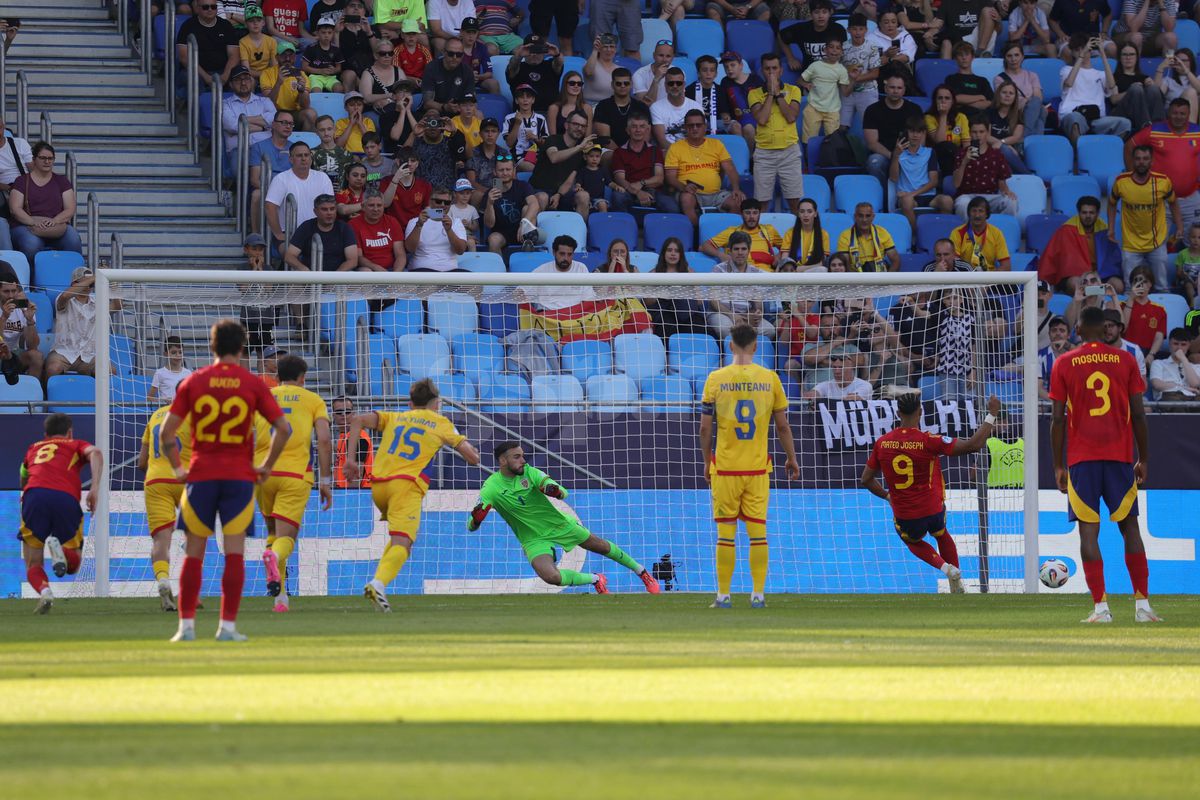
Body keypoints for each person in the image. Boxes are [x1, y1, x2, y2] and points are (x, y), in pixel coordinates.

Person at [161, 319, 291, 642]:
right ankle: (227, 628)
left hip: (201, 476)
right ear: (242, 347)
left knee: (194, 554)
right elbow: (283, 429)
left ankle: (186, 628)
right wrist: (266, 466)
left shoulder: (194, 381)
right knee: (234, 554)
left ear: (211, 346)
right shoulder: (253, 383)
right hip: (238, 478)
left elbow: (166, 434)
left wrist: (178, 468)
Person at [1048, 305, 1158, 624]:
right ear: (1106, 329)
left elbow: (1057, 419)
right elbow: (1139, 413)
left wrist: (1057, 465)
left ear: (1079, 330)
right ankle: (1142, 606)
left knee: (1088, 533)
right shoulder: (1125, 360)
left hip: (1082, 459)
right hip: (1120, 456)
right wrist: (1144, 458)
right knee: (1130, 528)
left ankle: (1101, 609)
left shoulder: (1064, 362)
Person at [346, 378, 480, 611]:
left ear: (410, 403)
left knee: (402, 542)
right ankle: (378, 583)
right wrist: (470, 451)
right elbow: (472, 458)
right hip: (405, 486)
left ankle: (378, 583)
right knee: (403, 542)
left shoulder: (395, 417)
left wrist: (350, 460)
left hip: (378, 487)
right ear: (436, 403)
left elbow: (356, 419)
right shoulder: (440, 422)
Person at [469, 440, 661, 594]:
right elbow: (471, 525)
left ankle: (642, 572)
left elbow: (558, 489)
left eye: (523, 456)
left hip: (559, 525)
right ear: (503, 461)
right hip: (533, 538)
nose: (523, 461)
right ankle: (596, 579)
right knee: (552, 578)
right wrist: (476, 519)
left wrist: (555, 491)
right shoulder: (491, 488)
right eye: (517, 457)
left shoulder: (529, 472)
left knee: (600, 545)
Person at [699, 323, 800, 609]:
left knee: (726, 533)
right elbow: (782, 426)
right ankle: (757, 594)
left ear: (730, 346)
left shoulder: (716, 379)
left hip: (726, 469)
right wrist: (791, 458)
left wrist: (708, 462)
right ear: (756, 347)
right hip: (757, 470)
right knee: (758, 533)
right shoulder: (770, 378)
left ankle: (723, 595)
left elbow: (705, 429)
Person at [860, 391, 1001, 594]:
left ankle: (946, 568)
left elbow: (866, 479)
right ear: (920, 411)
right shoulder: (929, 440)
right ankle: (957, 582)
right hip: (933, 509)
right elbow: (974, 445)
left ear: (898, 413)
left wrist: (887, 495)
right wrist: (991, 414)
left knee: (912, 540)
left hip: (906, 514)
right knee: (942, 534)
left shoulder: (882, 443)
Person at [253, 354, 332, 612]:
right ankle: (273, 557)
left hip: (263, 473)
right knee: (286, 537)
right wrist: (325, 480)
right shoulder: (313, 400)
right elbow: (323, 439)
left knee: (273, 533)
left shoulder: (261, 398)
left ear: (276, 376)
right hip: (295, 474)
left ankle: (280, 598)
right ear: (303, 377)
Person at [19, 413, 104, 614]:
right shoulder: (75, 444)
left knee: (32, 562)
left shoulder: (33, 448)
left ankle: (45, 591)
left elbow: (23, 474)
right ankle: (60, 551)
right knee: (73, 565)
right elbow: (96, 453)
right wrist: (94, 488)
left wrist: (27, 494)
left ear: (45, 433)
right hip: (64, 498)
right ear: (70, 432)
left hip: (34, 497)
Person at [138, 403, 192, 611]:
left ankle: (162, 579)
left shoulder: (156, 415)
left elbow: (142, 462)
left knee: (161, 539)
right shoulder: (196, 415)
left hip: (156, 480)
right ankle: (191, 591)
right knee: (196, 535)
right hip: (187, 479)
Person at [1109, 145, 1180, 292]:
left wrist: (1180, 226)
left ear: (1151, 161)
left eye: (1145, 158)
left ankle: (1163, 312)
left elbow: (1173, 202)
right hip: (1131, 243)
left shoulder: (1162, 181)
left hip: (1156, 242)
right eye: (1138, 159)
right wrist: (1110, 228)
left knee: (1161, 286)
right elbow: (1111, 203)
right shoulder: (1121, 182)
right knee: (1131, 288)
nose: (1141, 162)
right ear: (1133, 161)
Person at [1127, 99, 1200, 230]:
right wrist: (1132, 175)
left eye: (1182, 113)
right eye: (1175, 113)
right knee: (1158, 242)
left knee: (1195, 243)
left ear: (1189, 114)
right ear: (1168, 113)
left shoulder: (1197, 132)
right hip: (1161, 199)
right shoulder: (1154, 130)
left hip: (1191, 199)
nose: (1178, 117)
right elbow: (1130, 146)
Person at [665, 109, 746, 225]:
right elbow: (670, 177)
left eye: (698, 125)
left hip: (716, 193)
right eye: (691, 125)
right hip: (690, 193)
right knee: (686, 200)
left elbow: (730, 169)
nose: (695, 128)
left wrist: (736, 189)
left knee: (737, 201)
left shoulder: (716, 144)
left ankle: (728, 236)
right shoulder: (675, 148)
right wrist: (683, 187)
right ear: (685, 128)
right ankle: (698, 235)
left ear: (705, 126)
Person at [6, 142, 82, 264]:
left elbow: (70, 209)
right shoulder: (21, 181)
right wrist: (33, 222)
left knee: (73, 239)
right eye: (42, 158)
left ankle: (74, 278)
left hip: (55, 225)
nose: (47, 161)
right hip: (25, 226)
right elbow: (15, 209)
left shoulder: (62, 181)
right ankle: (31, 280)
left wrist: (54, 221)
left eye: (50, 158)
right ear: (34, 159)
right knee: (32, 244)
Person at [748, 52, 804, 215]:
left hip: (789, 152)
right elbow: (762, 119)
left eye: (774, 68)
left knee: (795, 203)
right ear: (762, 71)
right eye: (767, 69)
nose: (771, 73)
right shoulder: (754, 93)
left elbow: (791, 116)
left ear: (781, 71)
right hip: (764, 153)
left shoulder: (794, 90)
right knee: (762, 204)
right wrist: (771, 94)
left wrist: (778, 94)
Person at [46, 267, 123, 379]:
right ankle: (48, 396)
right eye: (85, 282)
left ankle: (98, 397)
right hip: (63, 352)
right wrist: (95, 277)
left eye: (91, 284)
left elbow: (118, 306)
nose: (88, 286)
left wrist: (111, 280)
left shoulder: (98, 302)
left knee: (110, 371)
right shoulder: (64, 298)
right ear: (74, 283)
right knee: (53, 368)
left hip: (89, 355)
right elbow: (66, 295)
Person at [1039, 196, 1123, 293]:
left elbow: (1111, 261)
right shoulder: (1066, 230)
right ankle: (1096, 293)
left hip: (1100, 276)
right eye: (1084, 212)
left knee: (1118, 285)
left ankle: (1093, 293)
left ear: (1098, 213)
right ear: (1078, 213)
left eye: (1091, 213)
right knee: (1074, 283)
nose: (1088, 216)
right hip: (1077, 276)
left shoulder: (1104, 230)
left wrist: (1096, 277)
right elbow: (1052, 259)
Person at [265, 141, 336, 255]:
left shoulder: (322, 177)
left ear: (311, 158)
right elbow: (270, 207)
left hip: (318, 232)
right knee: (293, 255)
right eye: (299, 155)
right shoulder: (281, 179)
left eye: (306, 155)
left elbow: (330, 206)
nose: (303, 158)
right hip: (289, 234)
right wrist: (278, 234)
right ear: (291, 159)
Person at [1059, 33, 1131, 145]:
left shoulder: (1101, 74)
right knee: (1075, 119)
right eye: (1077, 50)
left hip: (1096, 119)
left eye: (1084, 49)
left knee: (1125, 124)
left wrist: (1103, 54)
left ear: (1091, 51)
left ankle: (1107, 151)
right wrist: (1082, 55)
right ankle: (1080, 155)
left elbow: (1112, 86)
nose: (1081, 52)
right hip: (1073, 113)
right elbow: (1069, 83)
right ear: (1072, 52)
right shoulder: (1066, 70)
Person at [938, 117, 1017, 217]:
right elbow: (956, 184)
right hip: (967, 197)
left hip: (990, 197)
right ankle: (967, 232)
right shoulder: (961, 154)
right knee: (962, 204)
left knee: (1011, 202)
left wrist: (1007, 192)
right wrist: (964, 162)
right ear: (970, 133)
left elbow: (1002, 183)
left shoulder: (996, 155)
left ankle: (1001, 231)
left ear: (987, 133)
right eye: (974, 132)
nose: (978, 135)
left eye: (981, 132)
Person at [708, 232, 775, 337]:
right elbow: (714, 301)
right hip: (723, 313)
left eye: (743, 249)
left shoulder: (756, 273)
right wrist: (732, 315)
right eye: (736, 249)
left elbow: (758, 302)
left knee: (769, 330)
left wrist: (757, 312)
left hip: (746, 315)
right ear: (729, 251)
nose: (740, 252)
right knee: (726, 329)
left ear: (748, 251)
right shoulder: (718, 269)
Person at [529, 109, 595, 215]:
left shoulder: (581, 152)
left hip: (561, 193)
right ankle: (534, 231)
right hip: (539, 190)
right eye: (576, 124)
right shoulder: (553, 140)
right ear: (566, 125)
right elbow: (554, 157)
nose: (579, 128)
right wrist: (579, 147)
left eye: (583, 126)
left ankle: (581, 230)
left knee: (584, 196)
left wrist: (559, 194)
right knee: (543, 197)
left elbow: (570, 180)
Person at [864, 75, 924, 189]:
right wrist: (894, 156)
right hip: (884, 154)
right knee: (874, 162)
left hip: (909, 154)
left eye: (899, 88)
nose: (895, 91)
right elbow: (872, 143)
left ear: (904, 90)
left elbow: (921, 138)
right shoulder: (872, 110)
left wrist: (908, 157)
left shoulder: (914, 109)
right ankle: (881, 199)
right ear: (885, 89)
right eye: (892, 87)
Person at [610, 110, 675, 213]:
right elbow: (620, 180)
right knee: (618, 197)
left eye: (642, 126)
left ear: (647, 130)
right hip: (629, 191)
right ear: (627, 130)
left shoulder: (655, 150)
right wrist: (638, 192)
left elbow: (659, 179)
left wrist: (641, 183)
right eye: (634, 126)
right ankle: (624, 227)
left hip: (653, 191)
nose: (638, 130)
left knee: (672, 207)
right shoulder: (619, 152)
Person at [890, 116, 942, 233]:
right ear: (906, 132)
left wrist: (912, 194)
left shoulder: (929, 152)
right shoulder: (898, 153)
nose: (915, 135)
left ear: (923, 133)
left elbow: (934, 181)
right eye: (912, 131)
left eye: (919, 132)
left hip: (927, 195)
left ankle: (941, 234)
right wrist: (896, 156)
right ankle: (917, 236)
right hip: (907, 198)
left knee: (947, 201)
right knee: (907, 201)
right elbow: (893, 178)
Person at [701, 198, 782, 270]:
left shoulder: (769, 230)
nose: (751, 217)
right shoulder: (732, 231)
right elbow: (704, 246)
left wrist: (778, 256)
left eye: (755, 213)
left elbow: (787, 247)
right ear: (741, 214)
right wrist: (721, 255)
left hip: (766, 276)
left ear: (759, 214)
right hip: (740, 276)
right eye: (747, 213)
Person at [284, 194, 360, 271]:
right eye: (324, 209)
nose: (329, 213)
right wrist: (304, 270)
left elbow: (352, 260)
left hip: (338, 278)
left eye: (332, 209)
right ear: (315, 211)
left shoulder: (344, 228)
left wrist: (334, 278)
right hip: (310, 277)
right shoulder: (306, 227)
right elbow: (289, 256)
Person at [798, 36, 851, 143]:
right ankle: (808, 159)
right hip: (813, 107)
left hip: (832, 109)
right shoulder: (815, 66)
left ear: (841, 52)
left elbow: (845, 92)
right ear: (825, 49)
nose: (834, 50)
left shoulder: (841, 70)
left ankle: (829, 159)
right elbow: (799, 80)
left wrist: (853, 80)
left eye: (838, 48)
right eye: (831, 47)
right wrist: (806, 84)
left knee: (833, 140)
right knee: (808, 140)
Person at [483, 154, 540, 252]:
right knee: (493, 239)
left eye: (508, 169)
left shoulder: (523, 186)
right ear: (495, 172)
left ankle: (528, 243)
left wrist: (524, 222)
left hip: (523, 229)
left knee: (527, 208)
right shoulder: (490, 193)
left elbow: (535, 204)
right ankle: (498, 267)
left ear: (514, 171)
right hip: (502, 233)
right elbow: (489, 224)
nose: (505, 173)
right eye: (501, 170)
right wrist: (490, 204)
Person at [178, 1, 240, 90]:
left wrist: (225, 76)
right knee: (193, 79)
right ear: (198, 8)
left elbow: (234, 56)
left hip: (222, 71)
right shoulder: (188, 26)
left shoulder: (226, 25)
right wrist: (206, 77)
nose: (210, 9)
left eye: (213, 7)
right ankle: (195, 103)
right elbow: (184, 58)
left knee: (242, 77)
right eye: (205, 7)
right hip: (195, 71)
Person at [405, 186, 470, 270]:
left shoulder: (456, 222)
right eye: (438, 201)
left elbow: (460, 251)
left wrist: (449, 230)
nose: (442, 205)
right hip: (423, 270)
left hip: (450, 271)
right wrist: (419, 225)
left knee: (475, 281)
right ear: (430, 202)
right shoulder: (415, 221)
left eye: (447, 203)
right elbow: (410, 249)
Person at [526, 235, 596, 310]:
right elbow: (521, 292)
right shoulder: (541, 271)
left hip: (575, 316)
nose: (566, 258)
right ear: (554, 252)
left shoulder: (581, 268)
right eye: (562, 254)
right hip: (547, 316)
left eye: (569, 254)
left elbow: (588, 299)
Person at [261, 42, 318, 131]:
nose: (287, 59)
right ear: (277, 57)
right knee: (271, 116)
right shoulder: (267, 73)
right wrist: (278, 83)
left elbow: (305, 106)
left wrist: (302, 91)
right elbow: (267, 103)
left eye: (291, 56)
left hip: (294, 113)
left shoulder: (301, 74)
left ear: (295, 57)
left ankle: (305, 143)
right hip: (275, 112)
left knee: (311, 113)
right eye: (284, 55)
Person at [996, 41, 1048, 138]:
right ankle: (1031, 141)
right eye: (1009, 56)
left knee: (1037, 106)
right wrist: (1028, 101)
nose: (1013, 59)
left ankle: (1025, 140)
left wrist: (1027, 101)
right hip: (1014, 113)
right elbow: (1009, 101)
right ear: (1005, 58)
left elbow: (1038, 97)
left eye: (1016, 55)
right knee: (1040, 113)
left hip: (1032, 109)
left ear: (1022, 57)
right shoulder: (999, 79)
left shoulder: (1032, 75)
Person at [1112, 42, 1167, 133]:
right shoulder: (1114, 77)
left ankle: (1159, 126)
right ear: (1120, 58)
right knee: (1136, 89)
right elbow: (1113, 99)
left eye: (1132, 54)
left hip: (1144, 111)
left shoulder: (1144, 78)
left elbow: (1157, 97)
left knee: (1153, 88)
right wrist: (1130, 91)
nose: (1128, 57)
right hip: (1123, 112)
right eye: (1125, 54)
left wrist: (1151, 83)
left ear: (1137, 57)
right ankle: (1145, 127)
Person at [779, 0, 847, 72]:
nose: (820, 16)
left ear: (830, 13)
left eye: (824, 12)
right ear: (811, 14)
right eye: (816, 12)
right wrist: (791, 58)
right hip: (809, 74)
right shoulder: (802, 29)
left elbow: (844, 52)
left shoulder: (838, 29)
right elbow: (781, 35)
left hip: (833, 73)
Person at [222, 65, 275, 156]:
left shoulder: (265, 101)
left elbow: (274, 120)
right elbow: (232, 126)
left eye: (246, 79)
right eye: (238, 79)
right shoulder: (224, 104)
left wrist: (242, 120)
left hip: (264, 148)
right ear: (231, 84)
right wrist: (262, 128)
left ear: (252, 81)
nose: (243, 83)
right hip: (238, 151)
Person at [840, 14, 881, 130]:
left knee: (871, 127)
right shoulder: (843, 47)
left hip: (868, 92)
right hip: (847, 92)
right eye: (854, 29)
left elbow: (875, 73)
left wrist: (855, 78)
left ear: (866, 30)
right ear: (848, 30)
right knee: (841, 127)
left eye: (861, 29)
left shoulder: (872, 47)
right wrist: (850, 81)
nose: (857, 32)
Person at [350, 189, 407, 271]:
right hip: (369, 269)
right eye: (371, 205)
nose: (376, 209)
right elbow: (358, 257)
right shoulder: (353, 224)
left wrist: (396, 275)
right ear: (363, 207)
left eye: (379, 205)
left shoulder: (392, 221)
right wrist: (376, 268)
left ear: (383, 206)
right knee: (365, 271)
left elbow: (400, 254)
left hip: (391, 269)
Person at [593, 68, 651, 149]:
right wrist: (622, 155)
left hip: (638, 150)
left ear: (631, 84)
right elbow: (605, 139)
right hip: (611, 151)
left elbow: (646, 134)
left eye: (626, 83)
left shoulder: (641, 106)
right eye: (618, 83)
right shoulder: (603, 106)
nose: (622, 86)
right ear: (612, 85)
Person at [505, 34, 564, 113]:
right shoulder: (518, 67)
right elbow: (511, 69)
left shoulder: (550, 65)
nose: (534, 54)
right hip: (523, 115)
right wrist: (518, 55)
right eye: (531, 50)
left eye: (537, 49)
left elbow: (559, 64)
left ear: (543, 50)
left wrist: (556, 54)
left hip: (550, 114)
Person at [950, 196, 1012, 271]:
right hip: (965, 277)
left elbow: (1006, 266)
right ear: (969, 213)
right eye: (974, 211)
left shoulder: (996, 233)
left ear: (987, 214)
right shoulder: (957, 233)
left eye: (981, 211)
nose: (977, 215)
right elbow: (954, 263)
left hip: (989, 278)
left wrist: (990, 276)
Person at [719, 51, 765, 152]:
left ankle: (750, 158)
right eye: (726, 67)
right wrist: (725, 115)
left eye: (732, 65)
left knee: (749, 128)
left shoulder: (755, 79)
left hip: (755, 116)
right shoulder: (725, 82)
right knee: (744, 128)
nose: (729, 69)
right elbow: (723, 103)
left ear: (741, 65)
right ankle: (745, 158)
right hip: (737, 118)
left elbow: (764, 100)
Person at [837, 202, 901, 272]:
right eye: (860, 216)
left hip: (880, 276)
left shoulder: (882, 232)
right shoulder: (845, 235)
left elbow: (896, 260)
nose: (864, 220)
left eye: (868, 216)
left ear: (873, 217)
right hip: (855, 277)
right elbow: (845, 263)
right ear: (855, 217)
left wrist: (887, 279)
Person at [0, 274, 42, 380]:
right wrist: (4, 317)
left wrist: (30, 321)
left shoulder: (22, 308)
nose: (10, 296)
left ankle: (31, 393)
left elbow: (33, 346)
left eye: (14, 291)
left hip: (14, 353)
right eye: (6, 291)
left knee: (36, 356)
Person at [651, 67, 703, 151]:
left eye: (678, 83)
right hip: (668, 153)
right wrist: (680, 154)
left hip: (692, 152)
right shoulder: (656, 107)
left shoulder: (696, 106)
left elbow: (700, 136)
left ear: (684, 85)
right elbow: (662, 141)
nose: (675, 86)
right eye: (671, 83)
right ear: (665, 85)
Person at [380, 147, 434, 229]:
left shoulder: (425, 185)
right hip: (393, 228)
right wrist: (395, 179)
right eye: (405, 160)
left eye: (413, 161)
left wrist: (443, 213)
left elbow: (429, 211)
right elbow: (385, 204)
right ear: (398, 162)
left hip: (416, 228)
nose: (409, 163)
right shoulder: (386, 181)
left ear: (417, 163)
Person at [421, 36, 476, 116]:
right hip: (438, 109)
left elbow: (472, 100)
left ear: (463, 56)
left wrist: (462, 108)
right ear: (443, 52)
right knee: (432, 114)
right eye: (451, 54)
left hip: (460, 110)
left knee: (478, 114)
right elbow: (427, 103)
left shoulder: (467, 70)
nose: (454, 57)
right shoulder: (431, 68)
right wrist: (445, 107)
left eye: (458, 55)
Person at [1121, 266, 1167, 359]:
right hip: (1126, 352)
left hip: (1148, 353)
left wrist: (1151, 355)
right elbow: (1122, 329)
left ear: (1151, 284)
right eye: (1136, 281)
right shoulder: (1121, 306)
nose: (1140, 285)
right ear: (1131, 284)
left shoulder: (1160, 310)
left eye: (1145, 281)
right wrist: (1131, 299)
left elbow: (1159, 337)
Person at [925, 84, 971, 176]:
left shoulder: (961, 117)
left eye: (947, 98)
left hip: (957, 154)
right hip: (937, 154)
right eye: (940, 98)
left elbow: (966, 145)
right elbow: (940, 142)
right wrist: (943, 115)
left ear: (953, 101)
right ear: (935, 101)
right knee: (946, 146)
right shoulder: (929, 117)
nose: (943, 101)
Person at [868, 10, 918, 95]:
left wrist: (888, 59)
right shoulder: (871, 38)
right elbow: (871, 62)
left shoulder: (905, 36)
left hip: (902, 70)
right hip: (880, 73)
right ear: (880, 23)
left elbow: (906, 57)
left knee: (895, 65)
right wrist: (887, 55)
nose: (890, 25)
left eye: (893, 22)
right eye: (886, 22)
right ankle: (912, 92)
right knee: (894, 65)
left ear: (897, 23)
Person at [503, 84, 550, 167]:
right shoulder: (509, 118)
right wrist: (517, 123)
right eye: (521, 97)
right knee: (534, 168)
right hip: (518, 156)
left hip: (538, 156)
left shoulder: (541, 119)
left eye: (528, 97)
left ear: (533, 100)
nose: (525, 100)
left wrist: (536, 138)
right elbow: (509, 143)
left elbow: (546, 144)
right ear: (516, 100)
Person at [331, 395, 373, 488]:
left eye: (347, 412)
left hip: (358, 495)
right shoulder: (344, 436)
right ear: (333, 415)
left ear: (353, 414)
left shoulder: (358, 437)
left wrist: (351, 499)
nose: (343, 415)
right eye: (339, 412)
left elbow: (356, 476)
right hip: (344, 492)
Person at [465, 117, 509, 205]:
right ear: (480, 134)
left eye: (493, 131)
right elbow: (471, 181)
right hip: (479, 193)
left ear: (498, 134)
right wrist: (488, 192)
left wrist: (496, 192)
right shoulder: (473, 153)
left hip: (500, 191)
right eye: (486, 131)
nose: (490, 134)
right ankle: (475, 219)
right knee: (477, 194)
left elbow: (511, 177)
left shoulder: (504, 153)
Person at [778, 198, 831, 271]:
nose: (805, 215)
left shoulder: (824, 234)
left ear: (815, 214)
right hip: (793, 271)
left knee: (822, 270)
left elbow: (822, 262)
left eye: (809, 211)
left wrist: (801, 269)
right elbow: (785, 259)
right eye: (802, 211)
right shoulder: (790, 233)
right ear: (798, 214)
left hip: (813, 270)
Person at [989, 81, 1030, 174]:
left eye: (1011, 93)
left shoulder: (1018, 114)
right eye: (1004, 92)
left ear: (1015, 97)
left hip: (1011, 152)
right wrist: (1003, 146)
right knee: (1004, 151)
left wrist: (1002, 143)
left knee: (1007, 165)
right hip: (991, 148)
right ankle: (1029, 175)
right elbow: (986, 136)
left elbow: (1016, 137)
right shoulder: (989, 112)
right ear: (998, 95)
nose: (1007, 95)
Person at [1112, 0, 1179, 57]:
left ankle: (1169, 65)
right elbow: (1134, 28)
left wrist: (1161, 5)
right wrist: (1146, 3)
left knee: (1171, 38)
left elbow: (1169, 28)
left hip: (1151, 38)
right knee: (1136, 37)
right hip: (1126, 35)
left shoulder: (1168, 1)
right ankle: (1134, 69)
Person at [1149, 327, 1200, 402]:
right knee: (1173, 399)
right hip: (1169, 398)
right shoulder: (1158, 363)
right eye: (1176, 344)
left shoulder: (1195, 367)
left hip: (1192, 399)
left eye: (1183, 344)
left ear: (1189, 345)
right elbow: (1157, 384)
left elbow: (1195, 384)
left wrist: (1183, 359)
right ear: (1169, 344)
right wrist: (1182, 388)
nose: (1179, 348)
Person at [1049, 0, 1115, 57]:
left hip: (1093, 38)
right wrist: (1061, 35)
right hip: (1069, 39)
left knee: (1113, 49)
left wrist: (1104, 32)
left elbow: (1108, 15)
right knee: (1068, 52)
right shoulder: (1061, 1)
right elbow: (1052, 20)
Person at [1153, 48, 1200, 122]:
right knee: (1191, 92)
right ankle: (1191, 131)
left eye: (1184, 60)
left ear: (1191, 62)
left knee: (1192, 92)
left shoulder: (1198, 79)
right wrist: (1160, 68)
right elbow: (1155, 96)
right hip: (1174, 115)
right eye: (1177, 60)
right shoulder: (1168, 81)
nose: (1180, 63)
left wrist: (1186, 72)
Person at [946, 41, 993, 114]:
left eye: (967, 54)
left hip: (979, 120)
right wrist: (980, 97)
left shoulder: (982, 81)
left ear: (973, 57)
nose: (964, 58)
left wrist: (963, 103)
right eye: (960, 55)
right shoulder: (951, 79)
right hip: (958, 118)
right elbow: (955, 98)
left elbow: (990, 102)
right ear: (955, 58)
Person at [301, 16, 346, 92]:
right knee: (316, 91)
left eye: (329, 33)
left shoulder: (335, 49)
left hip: (330, 77)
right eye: (323, 32)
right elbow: (304, 67)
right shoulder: (311, 48)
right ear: (317, 33)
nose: (326, 35)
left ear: (333, 33)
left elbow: (339, 68)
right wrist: (320, 71)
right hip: (315, 77)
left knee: (339, 89)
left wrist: (334, 70)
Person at [806, 352, 874, 399]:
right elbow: (814, 393)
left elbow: (851, 399)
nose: (837, 371)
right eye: (834, 367)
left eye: (841, 368)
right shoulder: (828, 384)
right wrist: (812, 397)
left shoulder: (865, 385)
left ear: (851, 367)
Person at [549, 71, 594, 136]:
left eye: (579, 84)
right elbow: (552, 138)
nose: (576, 86)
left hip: (582, 145)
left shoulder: (587, 108)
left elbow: (587, 137)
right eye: (572, 83)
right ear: (565, 85)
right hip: (558, 145)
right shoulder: (554, 108)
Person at [1038, 315, 1074, 398]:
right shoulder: (1040, 356)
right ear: (1049, 334)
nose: (1058, 333)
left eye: (1062, 330)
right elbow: (1038, 388)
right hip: (1048, 405)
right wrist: (1058, 403)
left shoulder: (1076, 356)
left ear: (1068, 335)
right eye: (1054, 330)